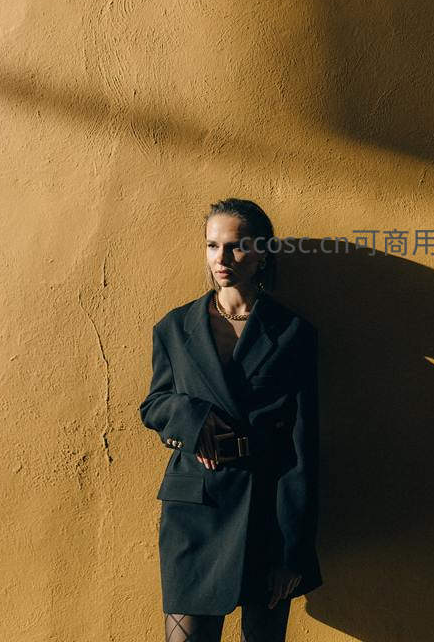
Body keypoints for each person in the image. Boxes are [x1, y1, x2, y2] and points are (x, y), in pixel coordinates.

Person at [139, 197, 323, 641]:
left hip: (266, 511)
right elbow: (155, 404)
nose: (221, 258)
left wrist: (292, 551)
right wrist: (194, 419)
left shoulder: (293, 332)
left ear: (262, 253)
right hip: (195, 512)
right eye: (212, 245)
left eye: (236, 246)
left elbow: (304, 446)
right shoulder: (175, 328)